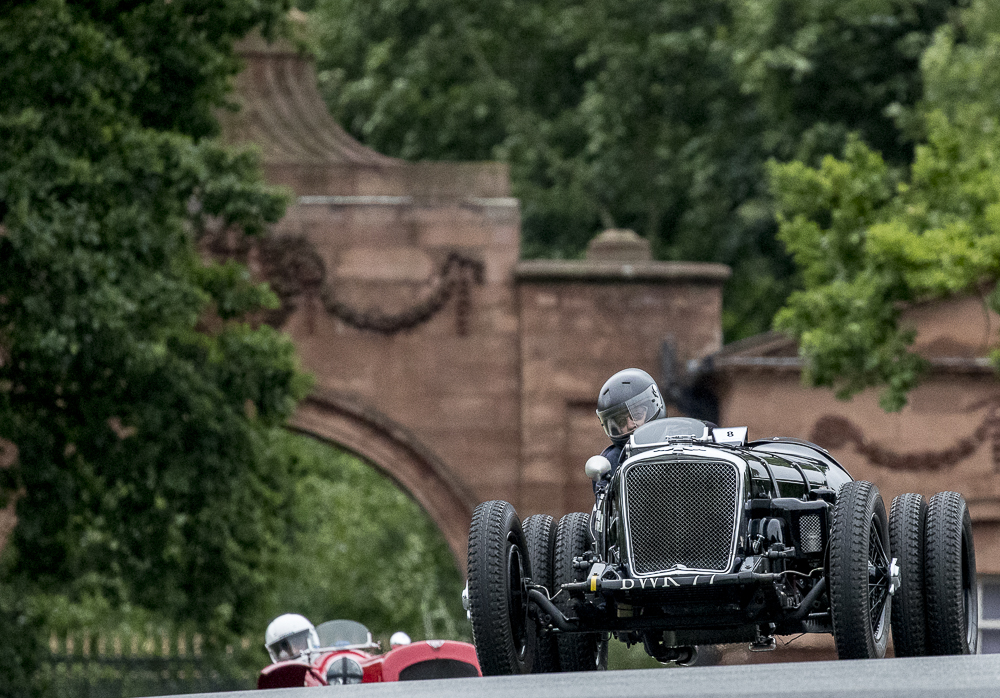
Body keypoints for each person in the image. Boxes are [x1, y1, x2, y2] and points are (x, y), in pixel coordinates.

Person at [593, 368, 664, 493]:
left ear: (655, 405)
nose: (631, 425)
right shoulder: (611, 461)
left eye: (637, 414)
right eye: (621, 421)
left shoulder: (683, 446)